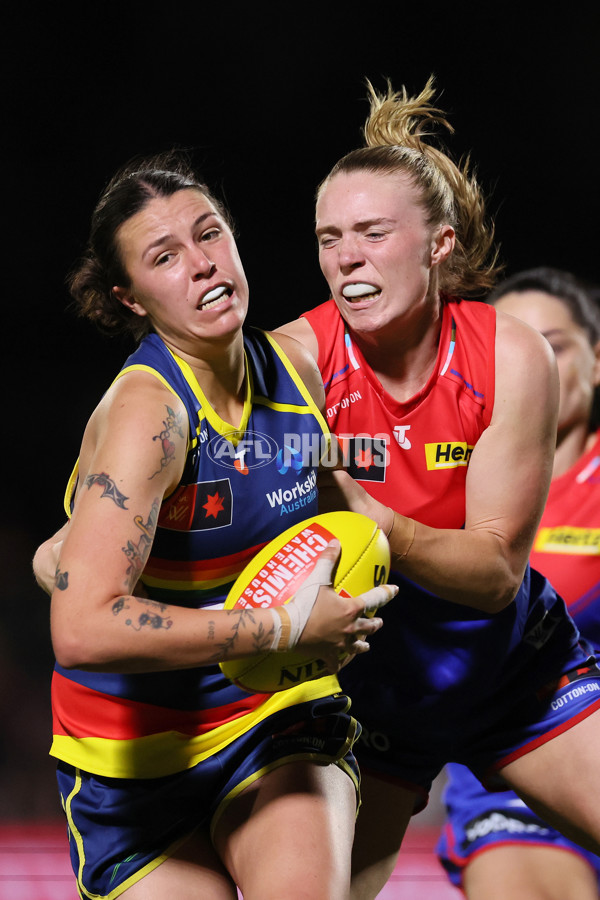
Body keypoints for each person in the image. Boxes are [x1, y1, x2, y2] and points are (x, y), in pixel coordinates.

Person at [32, 153, 397, 900]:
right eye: (165, 257)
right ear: (128, 298)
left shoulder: (298, 368)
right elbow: (81, 627)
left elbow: (340, 481)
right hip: (127, 764)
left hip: (275, 721)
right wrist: (279, 629)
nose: (202, 265)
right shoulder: (151, 417)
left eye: (210, 235)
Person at [275, 78, 600, 899]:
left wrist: (370, 516)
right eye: (329, 237)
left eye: (374, 233)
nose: (347, 256)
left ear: (439, 244)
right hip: (371, 702)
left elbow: (493, 576)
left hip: (517, 675)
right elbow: (176, 429)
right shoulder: (293, 364)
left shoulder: (513, 355)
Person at [436, 267, 600, 899]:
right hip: (512, 786)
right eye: (510, 346)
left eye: (553, 345)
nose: (535, 365)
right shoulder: (438, 495)